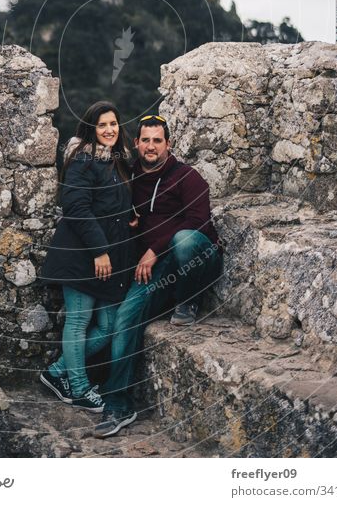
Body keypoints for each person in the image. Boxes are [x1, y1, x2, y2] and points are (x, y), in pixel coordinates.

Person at [95, 114, 223, 437]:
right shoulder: (130, 177)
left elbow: (200, 224)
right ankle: (118, 406)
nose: (151, 146)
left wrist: (155, 247)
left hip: (193, 262)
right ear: (136, 144)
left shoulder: (187, 178)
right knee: (126, 316)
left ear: (168, 144)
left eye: (157, 140)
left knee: (183, 241)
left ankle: (188, 302)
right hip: (153, 271)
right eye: (145, 140)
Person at [38, 101, 135, 412]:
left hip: (108, 261)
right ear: (91, 129)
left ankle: (56, 372)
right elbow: (77, 208)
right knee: (79, 321)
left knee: (108, 325)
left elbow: (111, 203)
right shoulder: (83, 160)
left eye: (113, 124)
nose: (109, 130)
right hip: (83, 256)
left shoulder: (116, 161)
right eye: (102, 125)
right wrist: (101, 251)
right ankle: (78, 388)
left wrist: (128, 214)